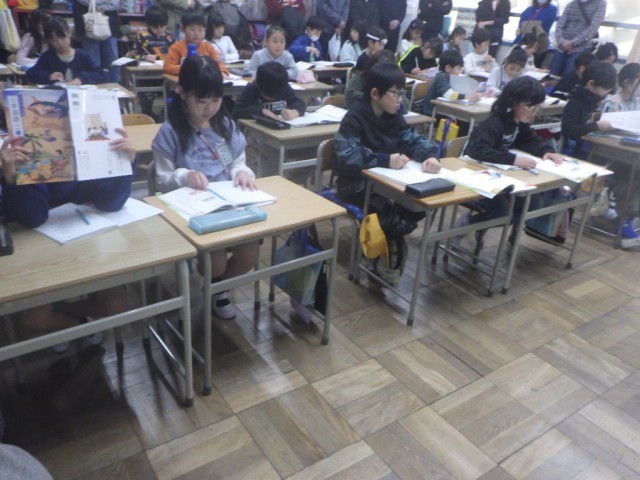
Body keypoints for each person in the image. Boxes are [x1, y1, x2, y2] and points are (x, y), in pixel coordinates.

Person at [152, 56, 259, 318]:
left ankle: (217, 288)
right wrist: (184, 176)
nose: (209, 108)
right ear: (182, 93)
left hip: (229, 204)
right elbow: (161, 180)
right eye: (201, 101)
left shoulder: (225, 126)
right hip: (193, 209)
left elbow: (238, 162)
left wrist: (243, 172)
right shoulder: (171, 132)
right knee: (216, 263)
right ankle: (215, 284)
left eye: (216, 99)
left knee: (250, 256)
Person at [334, 62, 440, 284]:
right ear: (375, 94)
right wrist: (385, 160)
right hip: (355, 185)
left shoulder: (393, 115)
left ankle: (388, 243)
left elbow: (412, 139)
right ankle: (386, 248)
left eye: (403, 93)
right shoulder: (355, 117)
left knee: (421, 203)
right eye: (396, 93)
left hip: (388, 183)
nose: (401, 99)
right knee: (391, 216)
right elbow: (347, 156)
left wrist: (430, 155)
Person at [462, 76, 565, 243]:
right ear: (513, 102)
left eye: (537, 107)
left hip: (501, 176)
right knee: (503, 211)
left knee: (534, 204)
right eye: (530, 107)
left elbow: (530, 140)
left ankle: (484, 223)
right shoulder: (494, 123)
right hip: (475, 175)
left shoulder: (517, 122)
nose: (534, 112)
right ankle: (469, 224)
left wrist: (547, 151)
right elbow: (478, 151)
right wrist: (513, 159)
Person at [26, 17, 106, 86]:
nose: (60, 43)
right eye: (54, 40)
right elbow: (31, 74)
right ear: (49, 41)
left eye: (62, 38)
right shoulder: (47, 57)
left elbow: (100, 74)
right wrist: (49, 76)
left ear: (69, 33)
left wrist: (82, 78)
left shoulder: (83, 56)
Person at [163, 8, 229, 76]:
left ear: (205, 30)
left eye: (200, 30)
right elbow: (167, 67)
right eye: (192, 29)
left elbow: (219, 64)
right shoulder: (176, 47)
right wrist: (188, 69)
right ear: (183, 29)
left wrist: (222, 71)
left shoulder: (208, 47)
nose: (196, 34)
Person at [233, 61, 306, 121]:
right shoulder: (252, 89)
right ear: (258, 84)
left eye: (276, 95)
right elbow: (237, 111)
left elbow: (300, 103)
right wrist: (262, 111)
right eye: (267, 95)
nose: (272, 98)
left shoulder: (283, 86)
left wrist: (295, 112)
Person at [550, 0, 606, 77]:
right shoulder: (571, 4)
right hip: (561, 48)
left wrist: (573, 43)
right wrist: (561, 41)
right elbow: (560, 24)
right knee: (552, 76)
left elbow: (593, 28)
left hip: (580, 49)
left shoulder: (600, 4)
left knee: (569, 77)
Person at [72, 0, 121, 83]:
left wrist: (98, 5)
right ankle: (94, 88)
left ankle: (114, 87)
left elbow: (116, 3)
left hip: (110, 20)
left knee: (112, 61)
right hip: (88, 19)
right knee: (92, 61)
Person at [345, 49, 410, 111]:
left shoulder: (393, 83)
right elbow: (349, 97)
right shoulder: (361, 78)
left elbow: (404, 108)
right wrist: (379, 100)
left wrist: (391, 105)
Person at [424, 49, 482, 115]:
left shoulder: (451, 78)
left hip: (442, 110)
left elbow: (460, 91)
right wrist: (468, 97)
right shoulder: (441, 77)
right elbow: (449, 94)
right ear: (448, 68)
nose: (459, 73)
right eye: (458, 69)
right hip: (432, 112)